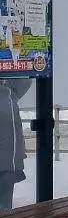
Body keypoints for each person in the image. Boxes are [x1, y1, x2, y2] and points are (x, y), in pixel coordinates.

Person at [0, 77, 31, 210]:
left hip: (8, 164)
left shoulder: (10, 93)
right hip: (6, 162)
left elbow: (24, 80)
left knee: (5, 208)